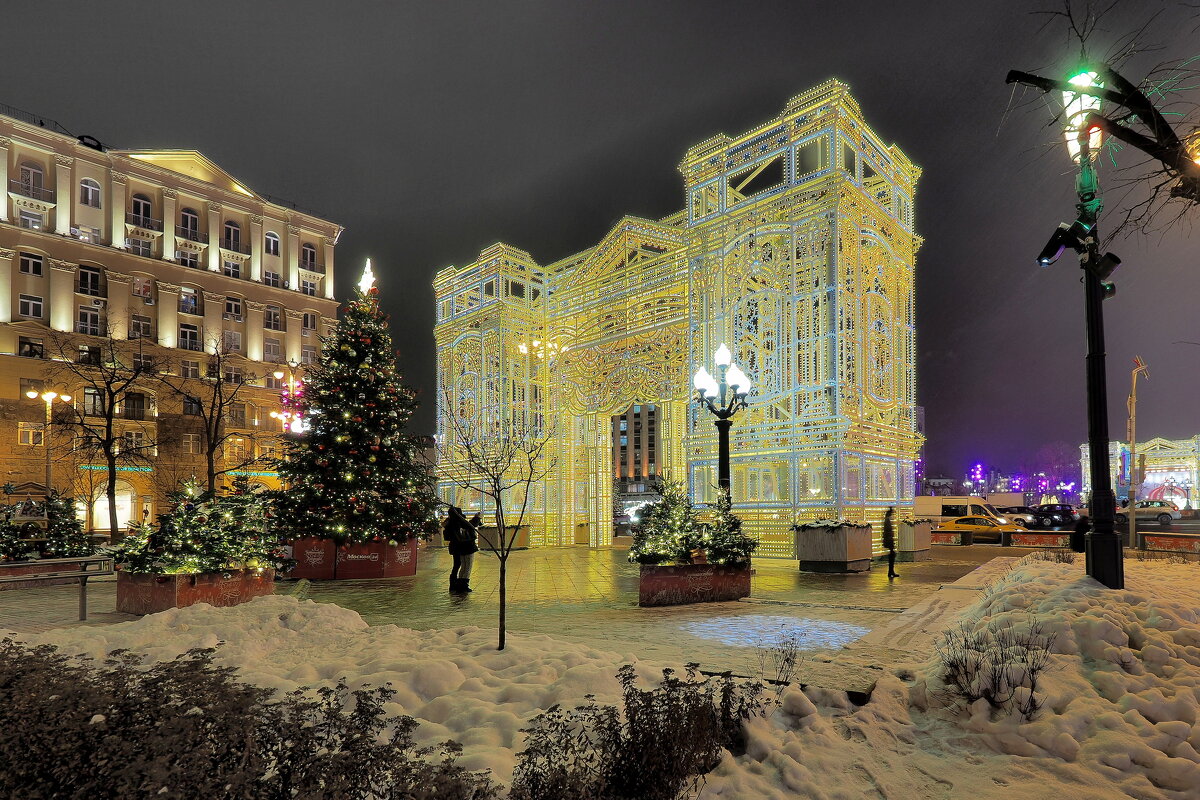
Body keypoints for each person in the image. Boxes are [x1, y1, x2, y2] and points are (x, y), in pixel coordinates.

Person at [444, 506, 478, 594]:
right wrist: (477, 518)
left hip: (457, 547)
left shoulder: (450, 523)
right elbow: (470, 526)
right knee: (466, 566)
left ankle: (456, 584)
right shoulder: (459, 523)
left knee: (459, 565)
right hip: (464, 546)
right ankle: (461, 585)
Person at [882, 506, 898, 580]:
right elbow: (888, 532)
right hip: (889, 540)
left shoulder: (887, 520)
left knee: (892, 555)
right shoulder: (887, 520)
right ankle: (891, 571)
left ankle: (891, 571)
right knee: (892, 555)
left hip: (889, 540)